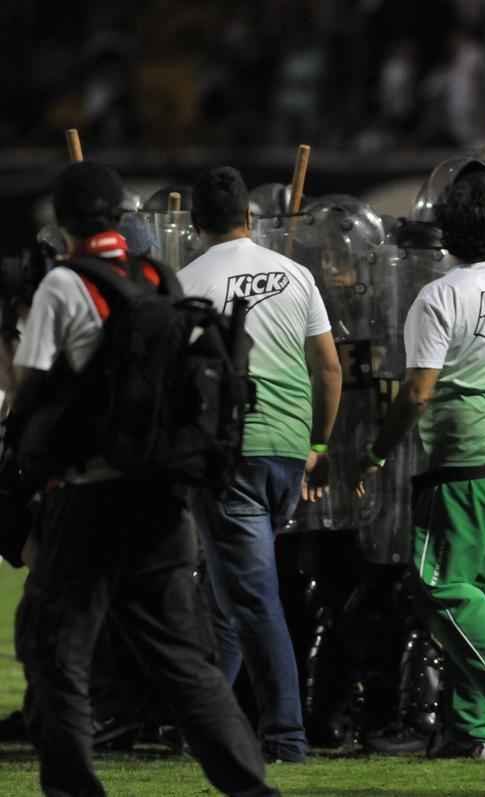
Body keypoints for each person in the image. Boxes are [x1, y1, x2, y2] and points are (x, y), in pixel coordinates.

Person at [11, 161, 278, 796]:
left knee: (54, 649)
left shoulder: (64, 283)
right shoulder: (158, 276)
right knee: (184, 662)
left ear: (64, 221)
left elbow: (30, 387)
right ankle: (252, 789)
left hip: (91, 497)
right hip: (163, 497)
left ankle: (74, 789)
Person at [359, 107, 485, 761]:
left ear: (443, 230)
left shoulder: (438, 297)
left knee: (437, 588)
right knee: (484, 605)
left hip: (460, 468)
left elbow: (418, 392)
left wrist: (376, 452)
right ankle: (467, 731)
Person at [178, 165, 343, 763]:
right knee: (231, 593)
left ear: (195, 224)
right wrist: (319, 446)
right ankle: (204, 723)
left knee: (250, 600)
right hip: (288, 453)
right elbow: (329, 369)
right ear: (250, 217)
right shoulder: (295, 274)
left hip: (230, 455)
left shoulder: (185, 284)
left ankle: (284, 737)